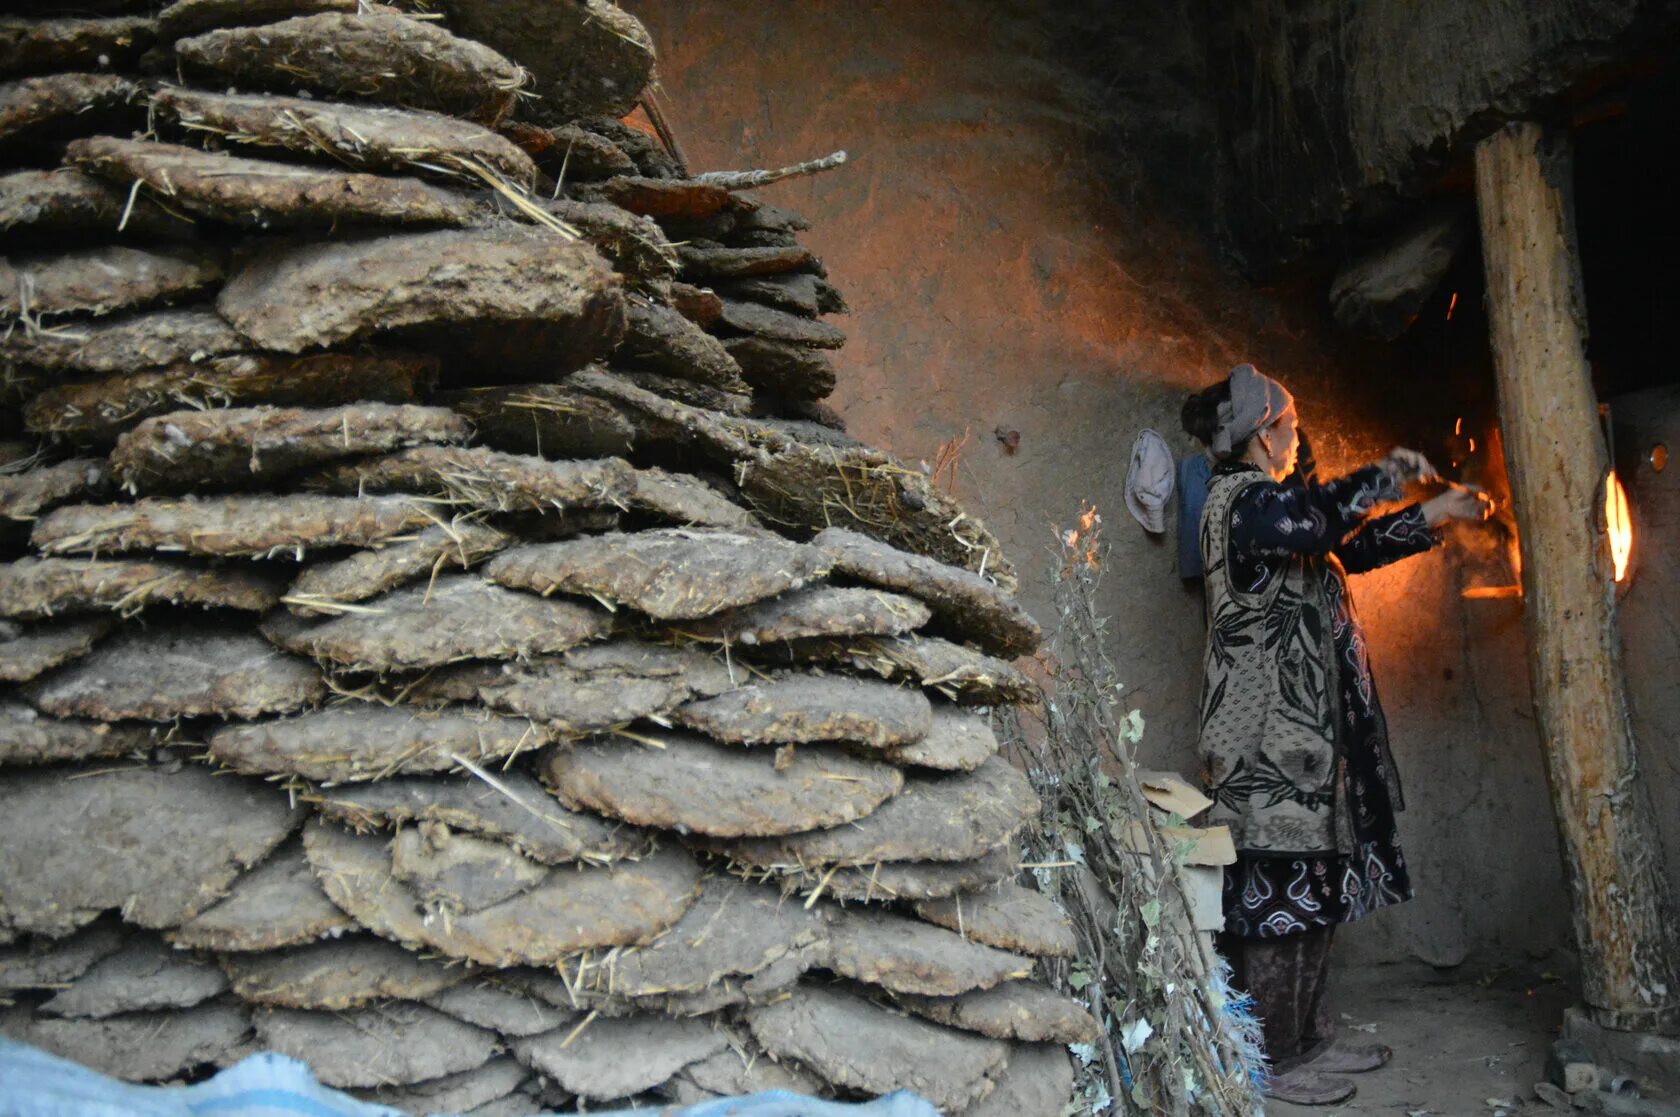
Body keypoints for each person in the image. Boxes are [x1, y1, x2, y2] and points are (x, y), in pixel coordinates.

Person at [1181, 364, 1493, 1106]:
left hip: (1304, 743)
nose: (1298, 435)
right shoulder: (1243, 503)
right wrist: (1383, 476)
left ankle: (1308, 1039)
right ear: (1265, 432)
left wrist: (1438, 511)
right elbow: (1324, 521)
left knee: (1313, 891)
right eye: (1290, 425)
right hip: (1260, 741)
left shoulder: (1281, 512)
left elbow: (1346, 547)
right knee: (1278, 899)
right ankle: (1272, 1059)